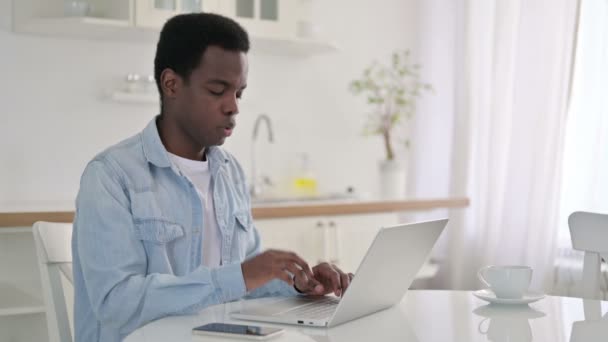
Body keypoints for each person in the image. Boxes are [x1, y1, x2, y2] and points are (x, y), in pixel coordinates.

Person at [72, 12, 352, 342]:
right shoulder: (110, 177)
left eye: (239, 93)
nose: (233, 106)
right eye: (218, 90)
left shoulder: (229, 172)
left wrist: (300, 283)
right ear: (171, 84)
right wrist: (239, 276)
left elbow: (245, 282)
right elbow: (116, 303)